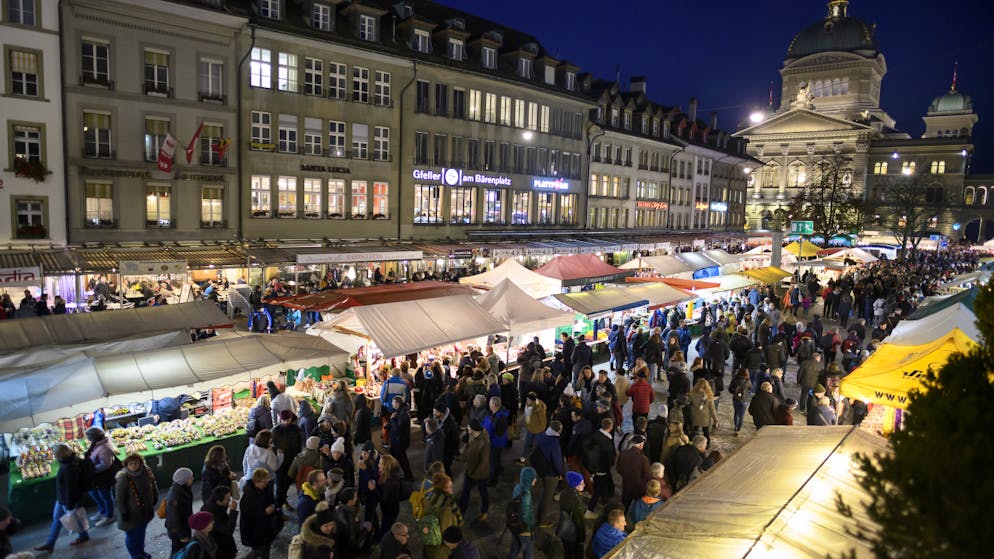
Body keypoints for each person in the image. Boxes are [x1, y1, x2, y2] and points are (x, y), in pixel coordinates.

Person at [34, 443, 89, 551]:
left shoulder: (69, 468)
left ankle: (83, 536)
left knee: (76, 519)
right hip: (62, 499)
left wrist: (70, 506)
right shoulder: (69, 461)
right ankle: (50, 543)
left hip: (68, 500)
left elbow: (71, 488)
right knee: (57, 519)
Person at [115, 453, 158, 559]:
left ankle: (141, 552)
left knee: (140, 534)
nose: (134, 465)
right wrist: (124, 512)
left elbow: (153, 484)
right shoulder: (123, 477)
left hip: (144, 512)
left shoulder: (146, 472)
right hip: (131, 514)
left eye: (136, 463)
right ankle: (135, 556)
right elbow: (120, 498)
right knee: (132, 536)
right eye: (131, 463)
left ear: (141, 463)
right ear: (126, 465)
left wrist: (155, 496)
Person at [240, 468, 280, 559]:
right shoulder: (249, 494)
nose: (266, 484)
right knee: (258, 550)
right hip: (254, 530)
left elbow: (273, 501)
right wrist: (264, 512)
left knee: (267, 548)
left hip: (267, 526)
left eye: (267, 481)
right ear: (256, 482)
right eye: (264, 482)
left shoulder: (266, 489)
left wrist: (273, 506)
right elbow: (246, 513)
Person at [83, 426, 119, 527]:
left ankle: (109, 516)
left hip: (103, 476)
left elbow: (105, 464)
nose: (87, 439)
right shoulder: (99, 443)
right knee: (96, 493)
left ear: (94, 437)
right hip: (97, 475)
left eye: (88, 437)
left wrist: (92, 470)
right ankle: (103, 511)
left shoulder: (104, 448)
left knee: (106, 495)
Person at [423, 473, 463, 559]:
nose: (452, 490)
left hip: (428, 540)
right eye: (449, 487)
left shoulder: (428, 496)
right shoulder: (446, 508)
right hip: (439, 551)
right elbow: (447, 534)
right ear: (443, 488)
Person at [459, 418, 491, 520]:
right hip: (470, 470)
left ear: (473, 429)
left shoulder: (484, 442)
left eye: (468, 427)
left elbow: (484, 462)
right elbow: (466, 442)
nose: (467, 428)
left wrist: (474, 474)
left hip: (479, 474)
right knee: (465, 492)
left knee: (483, 492)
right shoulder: (472, 436)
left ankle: (484, 511)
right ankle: (461, 512)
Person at [586, 417, 617, 518]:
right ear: (610, 427)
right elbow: (611, 460)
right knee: (598, 489)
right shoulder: (607, 442)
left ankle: (605, 501)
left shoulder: (595, 435)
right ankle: (590, 510)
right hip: (602, 468)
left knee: (602, 485)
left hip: (595, 468)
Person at [201, 486, 239, 559]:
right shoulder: (212, 513)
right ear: (218, 501)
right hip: (220, 548)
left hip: (224, 543)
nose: (229, 501)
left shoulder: (214, 503)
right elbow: (228, 530)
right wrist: (232, 511)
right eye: (227, 499)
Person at [508, 467, 538, 559]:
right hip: (524, 529)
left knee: (515, 547)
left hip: (514, 524)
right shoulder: (527, 494)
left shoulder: (517, 487)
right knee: (528, 552)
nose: (535, 480)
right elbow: (526, 516)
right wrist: (532, 524)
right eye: (534, 478)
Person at [617, 434, 651, 512]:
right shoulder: (643, 459)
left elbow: (618, 469)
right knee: (639, 508)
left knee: (625, 506)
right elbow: (647, 475)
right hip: (639, 488)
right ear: (641, 445)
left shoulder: (623, 454)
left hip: (626, 485)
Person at [166, 467, 195, 555]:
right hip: (177, 531)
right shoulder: (176, 496)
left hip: (183, 527)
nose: (193, 479)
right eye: (191, 477)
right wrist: (182, 535)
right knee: (178, 551)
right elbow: (175, 518)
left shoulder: (182, 489)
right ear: (184, 480)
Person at [482, 396, 510, 486]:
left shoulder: (496, 418)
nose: (489, 405)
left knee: (492, 461)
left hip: (494, 442)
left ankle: (492, 480)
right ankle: (498, 469)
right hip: (500, 441)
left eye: (490, 403)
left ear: (494, 405)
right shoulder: (502, 414)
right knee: (496, 457)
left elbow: (491, 432)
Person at [558, 472, 587, 559]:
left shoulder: (564, 492)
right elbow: (579, 521)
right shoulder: (576, 500)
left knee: (568, 553)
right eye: (581, 483)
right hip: (573, 534)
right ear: (575, 485)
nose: (584, 485)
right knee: (578, 555)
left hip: (564, 530)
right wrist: (581, 538)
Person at [377, 453, 405, 540]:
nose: (378, 465)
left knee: (385, 526)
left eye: (380, 464)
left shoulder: (391, 482)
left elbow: (384, 497)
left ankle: (384, 539)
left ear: (385, 466)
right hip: (392, 508)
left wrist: (374, 489)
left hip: (390, 509)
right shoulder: (391, 475)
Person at [386, 396, 414, 481]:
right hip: (396, 440)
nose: (392, 404)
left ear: (397, 404)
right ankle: (393, 472)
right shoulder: (399, 411)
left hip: (400, 441)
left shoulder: (403, 414)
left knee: (402, 459)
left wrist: (392, 420)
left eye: (393, 402)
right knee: (393, 457)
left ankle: (408, 476)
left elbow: (398, 429)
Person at [201, 445, 236, 510]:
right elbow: (214, 487)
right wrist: (229, 478)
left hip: (223, 494)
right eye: (223, 454)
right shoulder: (208, 470)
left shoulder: (223, 464)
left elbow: (226, 473)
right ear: (218, 457)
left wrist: (230, 474)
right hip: (213, 497)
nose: (225, 456)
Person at [688, 378, 719, 447]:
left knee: (695, 431)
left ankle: (694, 444)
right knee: (706, 432)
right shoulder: (709, 396)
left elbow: (688, 403)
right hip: (705, 418)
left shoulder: (692, 394)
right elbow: (712, 410)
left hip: (695, 416)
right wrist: (715, 419)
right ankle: (707, 445)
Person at [728, 368, 750, 435]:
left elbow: (730, 389)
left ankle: (736, 426)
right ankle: (739, 429)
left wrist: (735, 392)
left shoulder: (735, 379)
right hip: (744, 400)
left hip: (736, 399)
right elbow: (751, 388)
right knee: (742, 415)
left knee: (736, 413)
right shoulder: (747, 380)